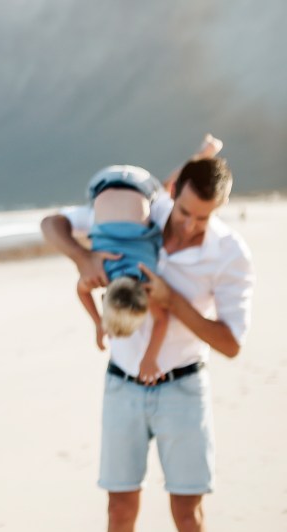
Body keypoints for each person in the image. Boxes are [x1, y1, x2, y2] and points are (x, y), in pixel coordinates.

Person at [41, 150, 253, 532]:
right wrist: (84, 259)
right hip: (122, 386)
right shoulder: (145, 210)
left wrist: (173, 301)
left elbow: (230, 344)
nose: (189, 225)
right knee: (119, 509)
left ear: (220, 209)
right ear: (173, 197)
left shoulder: (230, 254)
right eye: (184, 212)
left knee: (188, 514)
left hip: (184, 388)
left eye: (202, 217)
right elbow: (52, 224)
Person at [79, 135, 224, 384]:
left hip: (141, 188)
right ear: (104, 297)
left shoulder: (149, 276)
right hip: (102, 184)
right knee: (167, 192)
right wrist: (98, 322)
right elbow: (81, 291)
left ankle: (203, 154)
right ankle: (202, 155)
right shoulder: (101, 270)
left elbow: (161, 319)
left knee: (170, 190)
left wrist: (148, 356)